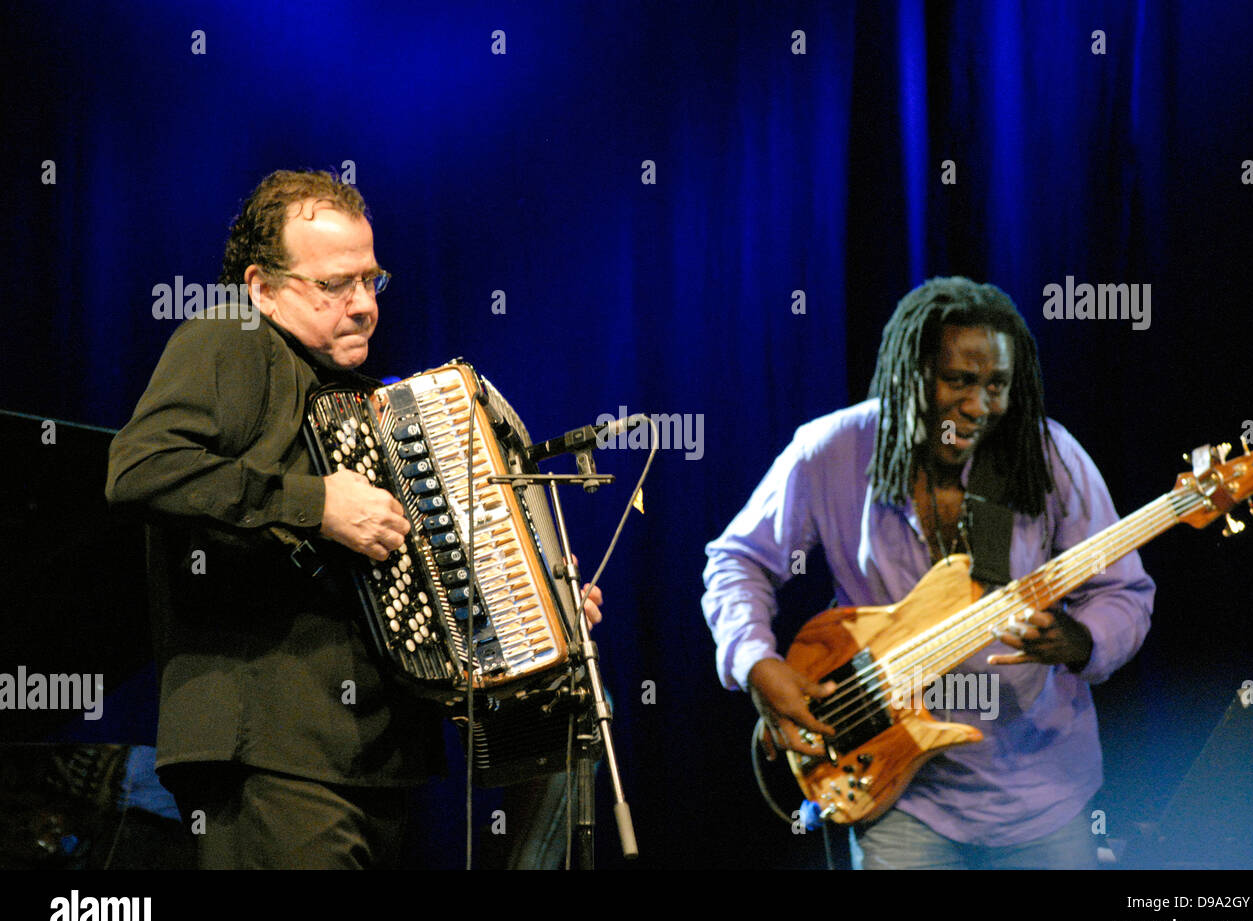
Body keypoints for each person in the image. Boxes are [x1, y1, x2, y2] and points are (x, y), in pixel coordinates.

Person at [106, 169, 601, 868]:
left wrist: (537, 607)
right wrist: (315, 504)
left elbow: (432, 575)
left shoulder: (375, 406)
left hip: (381, 763)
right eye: (334, 285)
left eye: (371, 281)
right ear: (262, 287)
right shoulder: (233, 338)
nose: (363, 304)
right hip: (272, 752)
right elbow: (141, 468)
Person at [701, 276, 1154, 869]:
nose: (979, 406)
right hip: (897, 792)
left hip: (1040, 789)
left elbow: (1122, 589)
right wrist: (756, 663)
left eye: (997, 385)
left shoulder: (1046, 456)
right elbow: (738, 559)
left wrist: (1079, 640)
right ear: (906, 374)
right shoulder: (830, 451)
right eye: (958, 381)